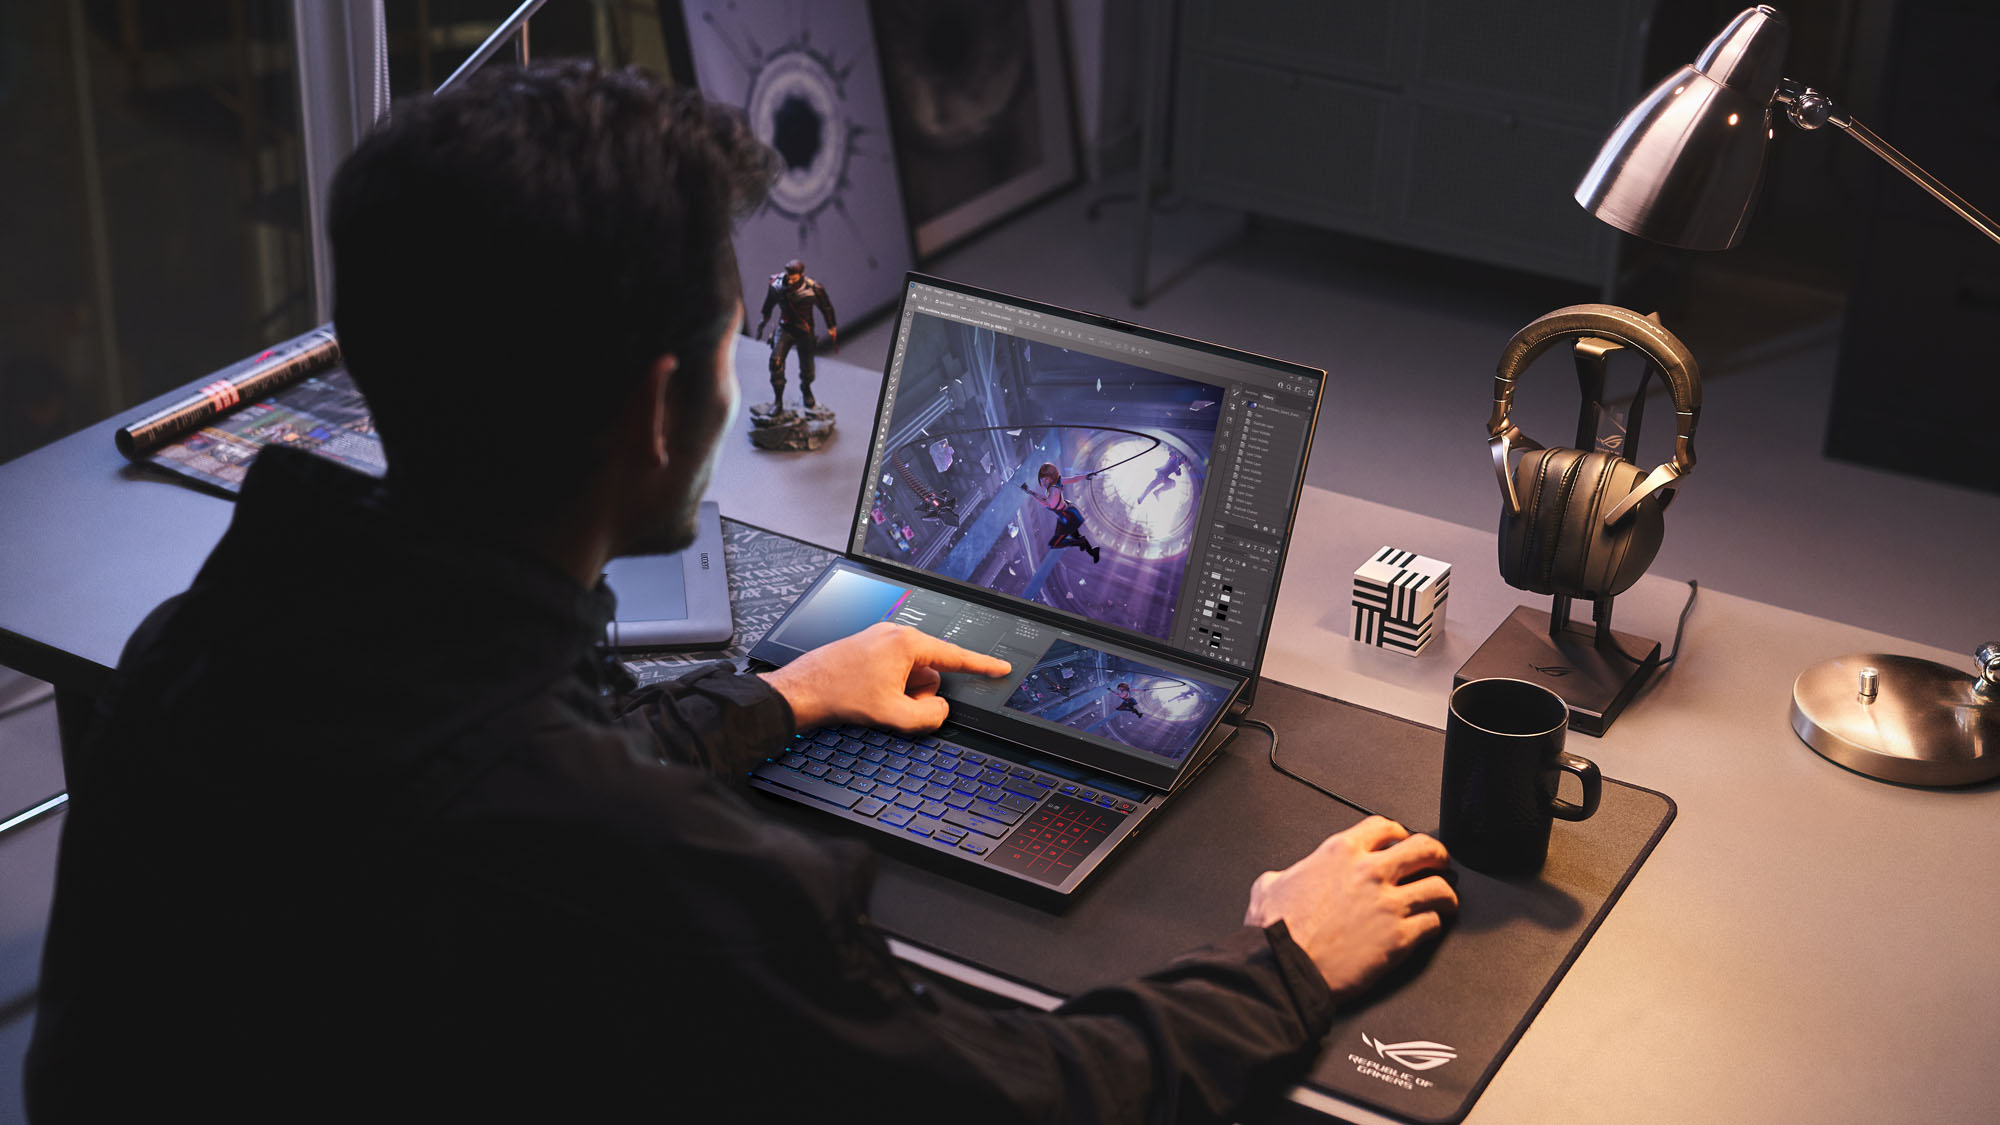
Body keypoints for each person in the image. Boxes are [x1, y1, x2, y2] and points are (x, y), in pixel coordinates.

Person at [26, 62, 1455, 1122]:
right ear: (664, 402)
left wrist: (774, 701)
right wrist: (1281, 965)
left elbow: (471, 752)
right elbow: (1022, 1102)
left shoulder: (204, 643)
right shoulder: (667, 876)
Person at [755, 257, 837, 409]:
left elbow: (826, 307)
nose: (791, 280)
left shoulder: (813, 289)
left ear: (801, 274)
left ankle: (806, 389)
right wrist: (764, 321)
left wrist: (831, 326)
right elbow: (769, 304)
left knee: (808, 370)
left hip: (805, 330)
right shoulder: (777, 285)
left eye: (794, 277)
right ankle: (778, 402)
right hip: (785, 327)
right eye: (789, 276)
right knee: (775, 362)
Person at [1020, 461, 1103, 563]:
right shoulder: (1056, 485)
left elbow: (1047, 503)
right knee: (1075, 535)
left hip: (1067, 517)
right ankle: (1092, 551)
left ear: (1050, 477)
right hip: (1068, 513)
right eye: (1042, 480)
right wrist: (1085, 476)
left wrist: (1030, 493)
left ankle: (1081, 543)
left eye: (1045, 479)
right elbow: (1073, 479)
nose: (1043, 482)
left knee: (1054, 544)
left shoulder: (1053, 489)